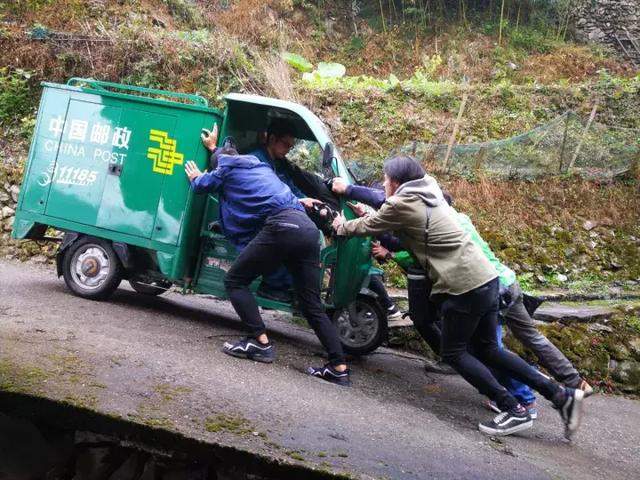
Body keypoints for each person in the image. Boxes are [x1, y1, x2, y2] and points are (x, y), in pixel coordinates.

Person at [332, 155, 585, 438]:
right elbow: (388, 217)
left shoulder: (402, 202)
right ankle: (560, 395)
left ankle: (514, 408)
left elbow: (370, 226)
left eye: (385, 179)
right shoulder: (430, 193)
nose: (383, 183)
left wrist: (341, 225)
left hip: (464, 286)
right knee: (490, 350)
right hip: (487, 279)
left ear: (397, 182)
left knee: (453, 353)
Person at [184, 124, 350, 386]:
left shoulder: (226, 168)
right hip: (306, 230)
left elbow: (203, 184)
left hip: (282, 226)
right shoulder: (260, 166)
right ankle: (338, 367)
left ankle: (258, 341)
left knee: (235, 281)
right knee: (311, 304)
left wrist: (195, 177)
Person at [248, 119, 337, 302]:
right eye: (286, 144)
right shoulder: (256, 161)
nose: (289, 148)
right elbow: (266, 195)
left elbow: (289, 188)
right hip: (258, 214)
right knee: (293, 233)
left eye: (291, 145)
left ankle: (297, 284)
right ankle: (273, 286)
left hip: (278, 211)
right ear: (272, 139)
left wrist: (311, 203)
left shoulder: (279, 163)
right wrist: (300, 201)